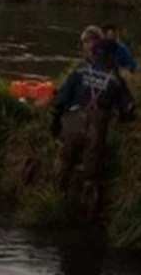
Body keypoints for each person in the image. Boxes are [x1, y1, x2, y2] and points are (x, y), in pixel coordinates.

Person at [50, 37, 135, 216]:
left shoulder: (79, 71)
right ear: (111, 57)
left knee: (65, 161)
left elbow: (59, 101)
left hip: (74, 125)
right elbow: (127, 109)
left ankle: (56, 200)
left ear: (95, 54)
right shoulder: (115, 81)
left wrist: (55, 124)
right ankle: (88, 212)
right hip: (96, 133)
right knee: (92, 174)